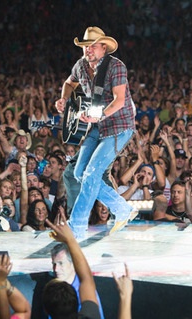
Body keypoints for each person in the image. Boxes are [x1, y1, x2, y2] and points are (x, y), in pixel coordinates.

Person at [55, 26, 136, 238]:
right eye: (85, 46)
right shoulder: (80, 66)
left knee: (91, 173)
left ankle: (76, 228)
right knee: (79, 173)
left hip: (119, 125)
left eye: (92, 46)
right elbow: (68, 83)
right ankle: (123, 209)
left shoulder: (116, 67)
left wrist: (99, 116)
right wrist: (64, 99)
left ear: (103, 48)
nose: (88, 50)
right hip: (97, 125)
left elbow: (119, 101)